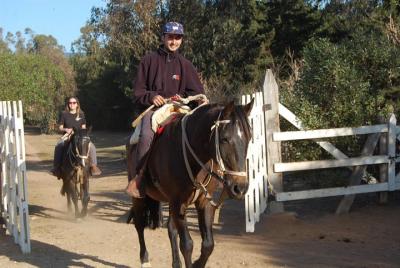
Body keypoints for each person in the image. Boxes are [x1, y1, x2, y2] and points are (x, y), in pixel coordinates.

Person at [127, 21, 205, 198]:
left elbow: (198, 93)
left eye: (178, 38)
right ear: (163, 37)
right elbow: (138, 92)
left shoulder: (186, 65)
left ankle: (206, 178)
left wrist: (192, 100)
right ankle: (140, 178)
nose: (174, 41)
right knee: (146, 133)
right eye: (171, 37)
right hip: (155, 110)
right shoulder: (148, 61)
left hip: (180, 110)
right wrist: (151, 96)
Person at [50, 96, 102, 177]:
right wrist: (66, 129)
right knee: (58, 146)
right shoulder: (64, 114)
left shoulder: (81, 114)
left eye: (74, 103)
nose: (72, 104)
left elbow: (84, 127)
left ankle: (93, 166)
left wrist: (81, 132)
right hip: (68, 135)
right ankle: (56, 168)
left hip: (79, 136)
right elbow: (60, 127)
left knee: (92, 147)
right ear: (68, 104)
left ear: (77, 104)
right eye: (70, 103)